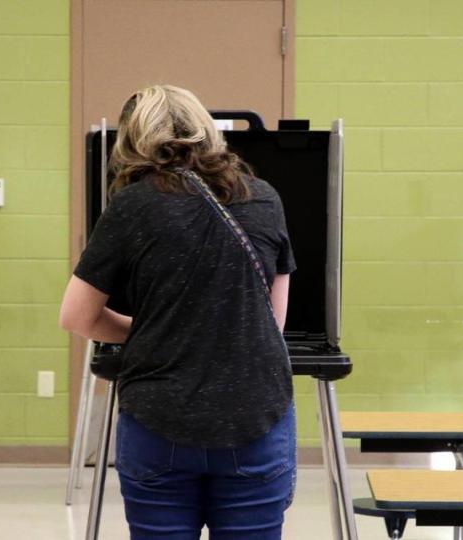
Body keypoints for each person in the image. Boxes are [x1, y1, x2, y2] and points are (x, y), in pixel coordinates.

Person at [60, 85, 297, 540]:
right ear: (206, 131)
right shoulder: (264, 197)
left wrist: (146, 332)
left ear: (133, 141)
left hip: (158, 422)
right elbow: (274, 322)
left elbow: (76, 316)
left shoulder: (131, 206)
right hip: (254, 418)